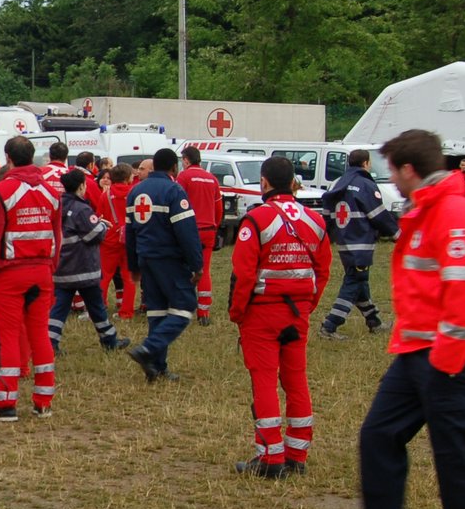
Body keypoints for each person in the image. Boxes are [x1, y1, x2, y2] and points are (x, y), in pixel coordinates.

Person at [336, 130, 465, 509]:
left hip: (449, 356)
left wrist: (447, 363)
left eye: (392, 169)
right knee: (379, 436)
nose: (389, 178)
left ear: (408, 170)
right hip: (417, 352)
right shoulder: (427, 210)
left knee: (455, 457)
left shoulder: (453, 214)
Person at [228, 157, 332, 478]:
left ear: (264, 183)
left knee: (264, 382)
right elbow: (323, 270)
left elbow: (243, 275)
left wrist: (237, 313)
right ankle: (297, 454)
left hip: (262, 313)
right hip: (297, 312)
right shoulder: (314, 220)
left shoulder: (256, 220)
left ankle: (270, 457)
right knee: (296, 381)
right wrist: (308, 304)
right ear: (294, 183)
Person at [0, 136, 61, 421]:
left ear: (8, 158)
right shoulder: (50, 192)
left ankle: (6, 402)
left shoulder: (2, 190)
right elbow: (58, 238)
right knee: (39, 335)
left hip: (10, 274)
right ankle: (43, 400)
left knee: (8, 336)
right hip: (42, 272)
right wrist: (51, 268)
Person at [124, 148, 203, 383]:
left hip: (146, 259)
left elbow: (130, 234)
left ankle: (156, 367)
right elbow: (186, 232)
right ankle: (148, 348)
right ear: (174, 168)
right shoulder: (174, 191)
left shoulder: (135, 192)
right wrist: (196, 265)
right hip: (169, 259)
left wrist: (133, 265)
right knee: (185, 306)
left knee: (157, 312)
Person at [318, 149, 401, 340]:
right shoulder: (365, 184)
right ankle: (330, 325)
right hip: (360, 242)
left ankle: (375, 322)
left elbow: (327, 214)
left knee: (359, 281)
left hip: (344, 242)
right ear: (366, 163)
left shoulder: (339, 183)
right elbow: (378, 215)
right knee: (353, 283)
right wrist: (398, 234)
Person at [48, 169, 130, 355]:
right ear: (81, 186)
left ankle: (50, 343)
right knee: (97, 307)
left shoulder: (59, 205)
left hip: (62, 267)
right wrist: (101, 224)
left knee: (59, 308)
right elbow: (94, 234)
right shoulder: (81, 208)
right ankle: (109, 341)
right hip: (83, 268)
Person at [177, 146, 223, 325]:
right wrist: (215, 225)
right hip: (208, 231)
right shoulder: (212, 179)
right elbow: (219, 208)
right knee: (204, 270)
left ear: (186, 160)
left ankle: (182, 308)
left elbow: (177, 202)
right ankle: (204, 312)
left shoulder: (184, 177)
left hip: (189, 230)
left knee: (183, 269)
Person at [99, 164, 136, 320]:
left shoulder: (105, 195)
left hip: (110, 239)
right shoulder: (134, 193)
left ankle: (99, 308)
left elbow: (99, 215)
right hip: (129, 239)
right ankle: (126, 311)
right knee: (129, 277)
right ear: (128, 178)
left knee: (104, 276)